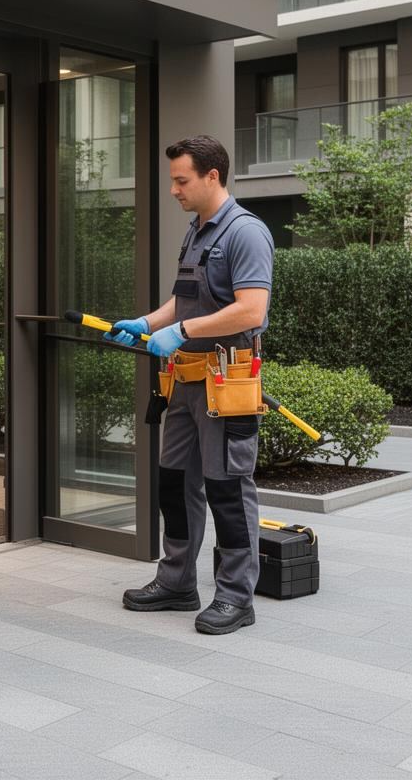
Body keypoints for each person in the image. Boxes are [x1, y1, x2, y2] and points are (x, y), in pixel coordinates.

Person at [106, 134, 274, 635]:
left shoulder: (245, 233)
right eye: (173, 180)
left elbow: (251, 309)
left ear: (212, 177)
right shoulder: (196, 232)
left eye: (182, 180)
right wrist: (150, 322)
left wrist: (182, 331)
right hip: (185, 381)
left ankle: (236, 597)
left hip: (228, 381)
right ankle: (177, 581)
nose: (175, 190)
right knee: (174, 484)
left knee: (226, 487)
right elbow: (183, 302)